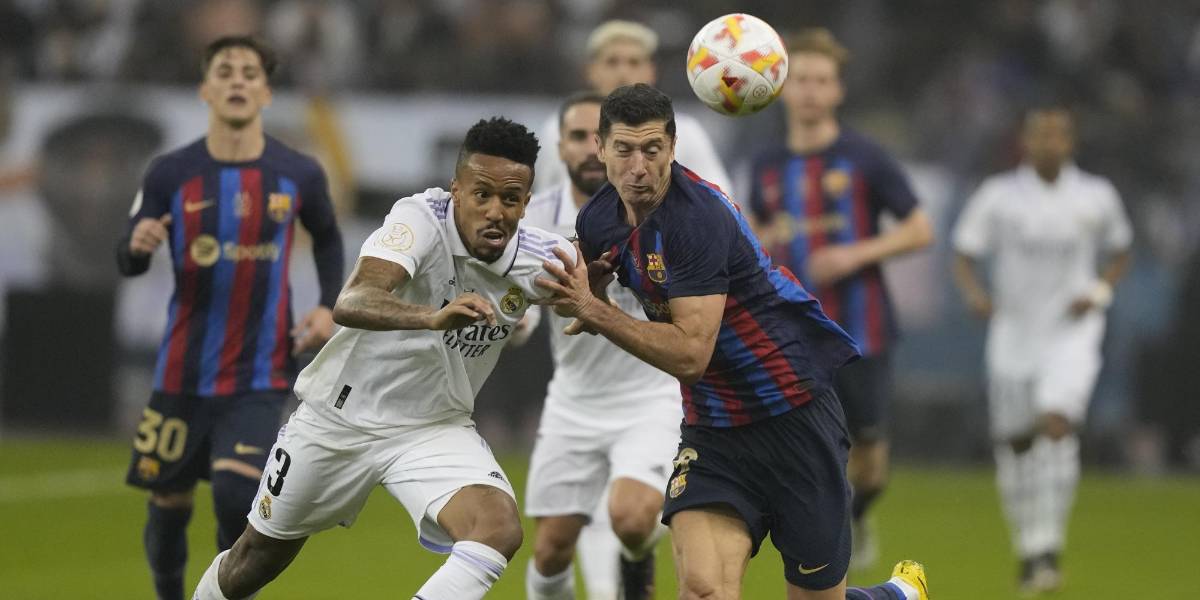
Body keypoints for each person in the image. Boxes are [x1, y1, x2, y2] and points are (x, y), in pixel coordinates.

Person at [536, 82, 929, 600]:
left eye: (652, 150)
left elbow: (690, 355)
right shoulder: (598, 219)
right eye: (624, 150)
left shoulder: (695, 219)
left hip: (793, 416)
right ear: (601, 149)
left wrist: (594, 311)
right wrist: (584, 291)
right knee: (704, 591)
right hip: (714, 430)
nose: (638, 167)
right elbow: (587, 281)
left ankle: (896, 594)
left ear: (673, 148)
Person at [191, 117, 573, 600]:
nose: (496, 211)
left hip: (433, 426)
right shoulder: (419, 220)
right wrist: (431, 318)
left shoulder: (542, 257)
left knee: (497, 528)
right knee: (253, 559)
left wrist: (585, 304)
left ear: (526, 202)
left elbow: (590, 291)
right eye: (482, 195)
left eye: (511, 199)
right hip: (339, 420)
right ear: (456, 190)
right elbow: (353, 301)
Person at [117, 36, 344, 600]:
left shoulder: (298, 172)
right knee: (167, 507)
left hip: (260, 372)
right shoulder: (170, 172)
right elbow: (128, 254)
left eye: (249, 72)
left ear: (266, 92)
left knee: (235, 497)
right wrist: (137, 246)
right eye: (225, 71)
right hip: (181, 373)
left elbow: (327, 237)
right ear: (205, 89)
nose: (237, 80)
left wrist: (327, 306)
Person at [743, 28, 934, 570]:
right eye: (801, 79)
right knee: (812, 449)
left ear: (838, 90)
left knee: (870, 461)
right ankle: (820, 547)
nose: (810, 91)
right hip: (790, 333)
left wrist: (855, 254)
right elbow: (755, 229)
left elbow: (920, 229)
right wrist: (758, 239)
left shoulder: (864, 156)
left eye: (821, 81)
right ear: (783, 88)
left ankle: (860, 510)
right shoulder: (767, 163)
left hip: (860, 329)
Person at [952, 106, 1132, 595]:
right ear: (1025, 142)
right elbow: (964, 253)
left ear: (1071, 142)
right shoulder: (998, 196)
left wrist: (1099, 291)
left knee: (1057, 426)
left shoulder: (1096, 195)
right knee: (1015, 448)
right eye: (1040, 135)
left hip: (1072, 332)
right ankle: (1029, 549)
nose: (1049, 143)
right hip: (1014, 334)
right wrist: (975, 295)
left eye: (1058, 135)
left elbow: (1121, 248)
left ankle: (1049, 544)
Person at [519, 91, 682, 600]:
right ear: (568, 147)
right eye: (577, 137)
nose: (590, 152)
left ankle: (637, 558)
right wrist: (517, 322)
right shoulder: (534, 221)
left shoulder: (669, 212)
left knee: (632, 520)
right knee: (550, 552)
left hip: (652, 395)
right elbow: (521, 307)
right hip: (575, 398)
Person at [532, 19, 731, 196]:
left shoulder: (686, 132)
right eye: (612, 62)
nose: (623, 72)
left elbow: (719, 198)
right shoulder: (560, 129)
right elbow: (544, 203)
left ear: (651, 71)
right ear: (590, 71)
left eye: (634, 62)